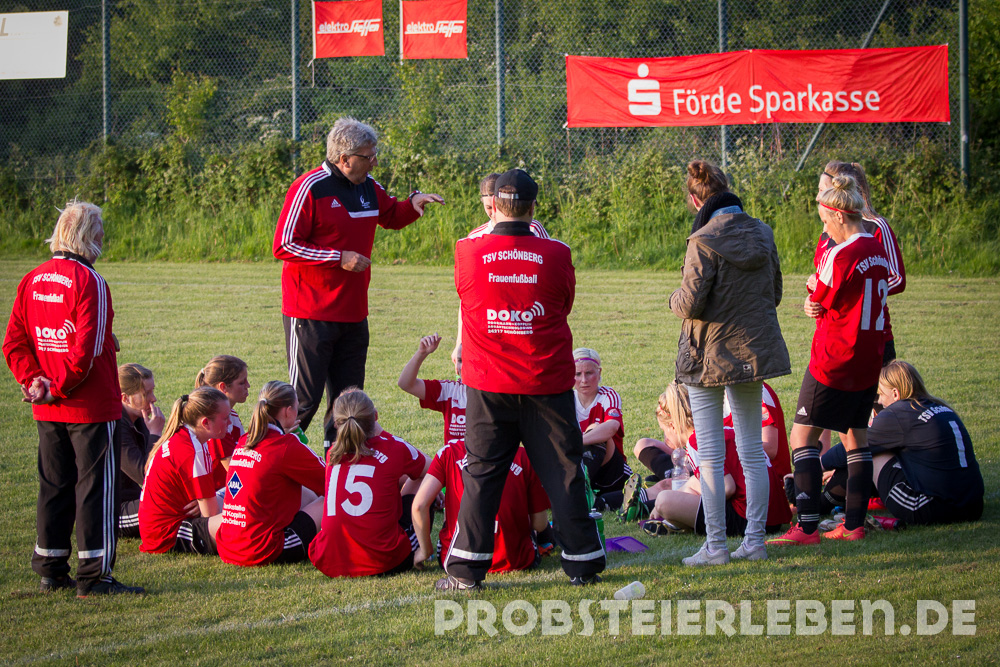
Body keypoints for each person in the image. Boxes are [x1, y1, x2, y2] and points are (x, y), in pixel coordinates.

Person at [442, 168, 605, 590]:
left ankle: (465, 571)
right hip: (545, 382)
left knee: (482, 474)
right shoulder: (557, 252)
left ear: (493, 206)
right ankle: (583, 563)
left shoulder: (466, 250)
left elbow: (468, 300)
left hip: (488, 383)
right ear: (534, 207)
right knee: (564, 472)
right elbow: (563, 304)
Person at [273, 117, 444, 452]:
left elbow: (390, 215)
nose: (375, 161)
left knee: (349, 402)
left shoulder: (367, 184)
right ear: (344, 159)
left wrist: (412, 205)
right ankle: (269, 464)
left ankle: (337, 469)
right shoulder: (309, 188)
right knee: (302, 402)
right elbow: (284, 244)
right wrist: (339, 257)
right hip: (310, 313)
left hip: (353, 314)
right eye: (369, 156)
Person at [3, 200, 144, 596]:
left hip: (48, 406)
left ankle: (50, 569)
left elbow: (14, 342)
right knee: (95, 489)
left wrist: (35, 382)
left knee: (54, 485)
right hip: (89, 405)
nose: (103, 241)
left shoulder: (32, 278)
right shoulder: (89, 281)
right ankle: (94, 577)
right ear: (87, 236)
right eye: (100, 234)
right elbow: (86, 353)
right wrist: (54, 385)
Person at [669, 160, 790, 566]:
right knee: (752, 451)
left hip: (708, 355)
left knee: (711, 456)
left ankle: (716, 546)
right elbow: (775, 293)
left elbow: (689, 303)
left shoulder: (702, 239)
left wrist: (671, 299)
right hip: (753, 351)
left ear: (695, 199)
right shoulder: (763, 232)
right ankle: (754, 542)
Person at [768, 174, 890, 547]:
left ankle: (806, 528)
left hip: (835, 358)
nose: (825, 229)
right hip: (868, 359)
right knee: (855, 437)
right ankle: (853, 525)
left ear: (838, 215)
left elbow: (820, 297)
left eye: (825, 220)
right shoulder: (876, 247)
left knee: (802, 436)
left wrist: (810, 291)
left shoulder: (842, 253)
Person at [398, 334, 553, 572]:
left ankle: (537, 534)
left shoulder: (500, 392)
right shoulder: (450, 390)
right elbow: (405, 383)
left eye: (469, 360)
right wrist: (421, 353)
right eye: (460, 360)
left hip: (497, 465)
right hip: (459, 469)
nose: (463, 366)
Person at [823, 361, 983, 526]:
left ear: (895, 393)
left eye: (881, 394)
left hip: (934, 509)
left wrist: (817, 465)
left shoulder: (899, 413)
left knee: (867, 453)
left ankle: (821, 503)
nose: (880, 401)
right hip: (973, 505)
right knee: (873, 451)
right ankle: (829, 500)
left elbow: (855, 446)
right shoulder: (941, 407)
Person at [642, 382, 791, 542]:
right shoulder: (718, 431)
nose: (665, 438)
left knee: (664, 501)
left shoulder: (696, 441)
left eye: (664, 431)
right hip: (771, 516)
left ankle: (678, 521)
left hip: (749, 517)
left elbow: (727, 487)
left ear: (672, 426)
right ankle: (677, 521)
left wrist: (669, 503)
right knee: (686, 489)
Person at [309, 388, 430, 577]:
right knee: (425, 481)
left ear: (336, 423)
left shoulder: (332, 453)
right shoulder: (394, 447)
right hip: (383, 560)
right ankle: (423, 550)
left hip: (330, 560)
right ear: (375, 417)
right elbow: (433, 470)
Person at [217, 381, 327, 566]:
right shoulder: (285, 446)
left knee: (303, 492)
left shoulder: (245, 440)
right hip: (263, 549)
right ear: (288, 411)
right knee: (332, 497)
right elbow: (332, 481)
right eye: (296, 407)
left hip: (228, 546)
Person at [451, 172, 550, 372]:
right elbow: (467, 300)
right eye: (487, 208)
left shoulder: (534, 230)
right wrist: (460, 342)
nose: (492, 213)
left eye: (494, 207)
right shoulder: (474, 239)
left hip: (524, 326)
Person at [810, 161, 905, 365]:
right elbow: (824, 278)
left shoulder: (875, 226)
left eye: (822, 190)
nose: (818, 197)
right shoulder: (828, 231)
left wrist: (855, 291)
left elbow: (897, 278)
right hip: (835, 338)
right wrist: (812, 297)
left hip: (872, 333)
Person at [139, 387, 230, 555]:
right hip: (166, 534)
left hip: (163, 528)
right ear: (205, 423)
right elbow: (211, 514)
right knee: (241, 520)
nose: (229, 423)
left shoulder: (187, 436)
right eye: (225, 418)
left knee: (237, 499)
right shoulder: (192, 449)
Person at [573, 347, 631, 510]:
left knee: (596, 428)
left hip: (612, 473)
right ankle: (582, 493)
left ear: (599, 373)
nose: (584, 380)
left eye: (589, 373)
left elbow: (611, 427)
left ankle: (577, 490)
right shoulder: (566, 400)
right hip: (578, 465)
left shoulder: (608, 395)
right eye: (578, 374)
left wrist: (576, 442)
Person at [116, 363, 166, 538]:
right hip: (112, 512)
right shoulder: (115, 428)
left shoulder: (137, 419)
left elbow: (162, 467)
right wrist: (155, 434)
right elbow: (144, 476)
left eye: (152, 391)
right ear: (125, 398)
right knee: (169, 505)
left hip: (135, 499)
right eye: (146, 394)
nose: (153, 399)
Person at [195, 355, 250, 490]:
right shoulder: (215, 424)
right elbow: (235, 472)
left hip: (226, 489)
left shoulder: (232, 415)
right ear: (223, 387)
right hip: (216, 493)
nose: (248, 386)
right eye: (242, 383)